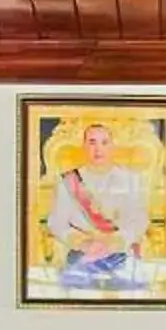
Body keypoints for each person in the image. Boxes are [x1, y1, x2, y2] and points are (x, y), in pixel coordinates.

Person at [44, 121, 152, 290]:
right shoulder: (68, 181)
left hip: (121, 254)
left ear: (113, 146)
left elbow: (139, 220)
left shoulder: (131, 179)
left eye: (104, 142)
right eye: (92, 142)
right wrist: (83, 243)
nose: (98, 149)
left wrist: (115, 242)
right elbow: (57, 222)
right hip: (82, 255)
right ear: (84, 146)